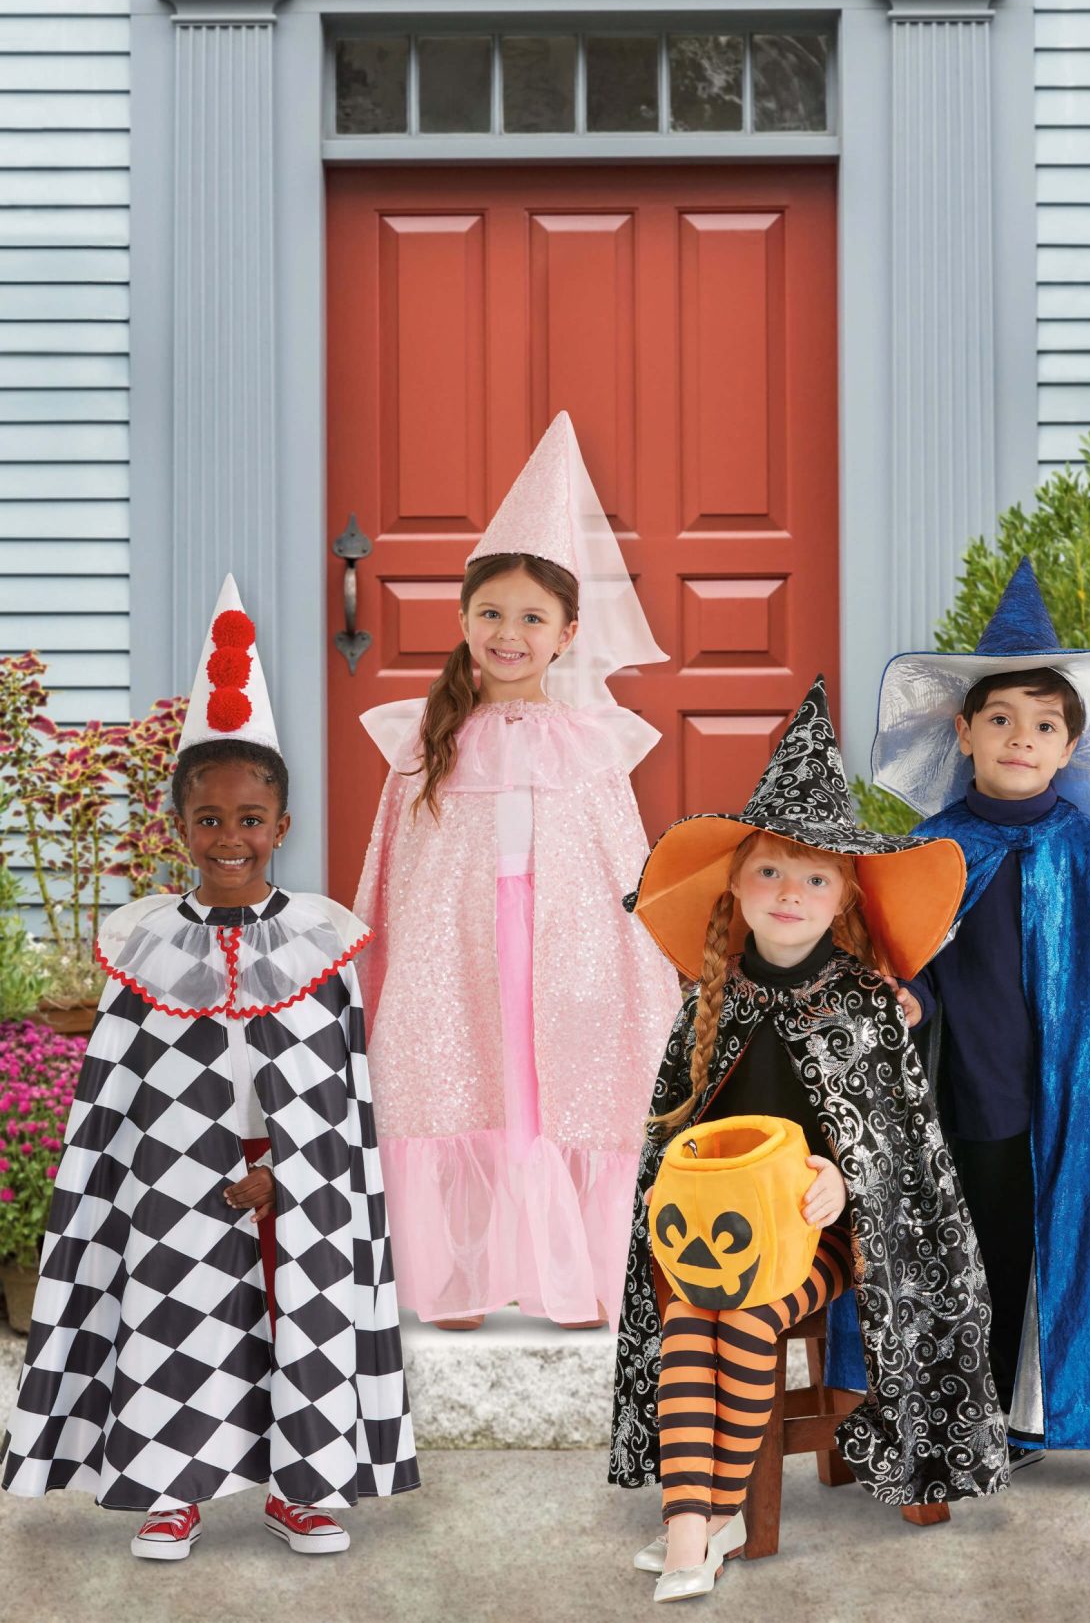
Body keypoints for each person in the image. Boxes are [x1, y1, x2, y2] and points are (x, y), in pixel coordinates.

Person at [1, 576, 419, 1558]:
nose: (230, 838)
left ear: (282, 825)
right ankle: (172, 1488)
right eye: (210, 819)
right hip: (169, 1174)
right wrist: (162, 1171)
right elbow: (115, 1093)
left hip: (296, 1177)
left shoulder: (321, 941)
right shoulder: (143, 943)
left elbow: (340, 1090)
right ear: (180, 826)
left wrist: (293, 1171)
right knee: (177, 1316)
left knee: (299, 1319)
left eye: (251, 818)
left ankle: (299, 1490)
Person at [609, 676, 1006, 1604]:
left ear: (844, 901)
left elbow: (901, 1149)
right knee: (689, 1317)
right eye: (771, 873)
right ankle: (698, 1520)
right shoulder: (706, 1002)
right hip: (717, 1235)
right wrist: (677, 1184)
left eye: (816, 878)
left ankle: (706, 1520)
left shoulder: (865, 1005)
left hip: (828, 1241)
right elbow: (677, 1138)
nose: (791, 893)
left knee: (748, 1315)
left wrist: (844, 1177)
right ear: (735, 884)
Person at [868, 555, 1090, 1495]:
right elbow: (912, 967)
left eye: (1044, 724)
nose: (1022, 737)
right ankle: (1004, 1421)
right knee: (990, 1250)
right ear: (964, 732)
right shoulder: (931, 848)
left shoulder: (1088, 851)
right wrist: (908, 1001)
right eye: (1001, 719)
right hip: (975, 1090)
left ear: (1069, 748)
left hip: (1081, 1097)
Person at [354, 412, 681, 1331]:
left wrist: (633, 964)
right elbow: (395, 865)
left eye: (532, 618)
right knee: (464, 1078)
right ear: (462, 620)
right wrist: (391, 960)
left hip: (564, 949)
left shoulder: (592, 742)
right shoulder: (425, 739)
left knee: (548, 1088)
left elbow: (621, 861)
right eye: (491, 614)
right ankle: (456, 1274)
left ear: (568, 633)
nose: (509, 633)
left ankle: (572, 1272)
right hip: (455, 947)